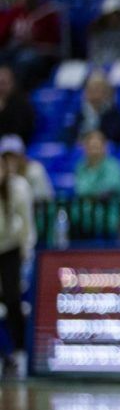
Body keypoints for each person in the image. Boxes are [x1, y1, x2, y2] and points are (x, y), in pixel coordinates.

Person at [0, 152, 34, 379]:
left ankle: (20, 351)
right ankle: (5, 355)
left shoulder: (18, 187)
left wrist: (26, 250)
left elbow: (27, 222)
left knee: (13, 299)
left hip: (11, 248)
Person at [72, 130, 120, 237]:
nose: (94, 150)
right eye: (91, 146)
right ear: (85, 148)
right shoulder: (80, 167)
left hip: (105, 216)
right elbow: (81, 190)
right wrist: (92, 193)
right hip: (80, 217)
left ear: (104, 147)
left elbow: (109, 189)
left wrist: (91, 194)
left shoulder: (113, 166)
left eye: (97, 146)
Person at [65, 71, 120, 146]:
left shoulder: (113, 113)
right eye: (90, 90)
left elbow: (113, 136)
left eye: (97, 89)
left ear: (106, 92)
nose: (93, 93)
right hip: (80, 149)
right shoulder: (80, 112)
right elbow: (70, 136)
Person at [0, 135, 51, 203]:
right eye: (6, 157)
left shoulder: (35, 171)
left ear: (22, 157)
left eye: (14, 157)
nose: (10, 161)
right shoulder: (2, 174)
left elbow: (42, 202)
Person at [0, 66, 35, 146]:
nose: (1, 87)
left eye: (3, 83)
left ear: (12, 83)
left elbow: (19, 132)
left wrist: (3, 111)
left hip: (15, 145)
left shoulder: (21, 104)